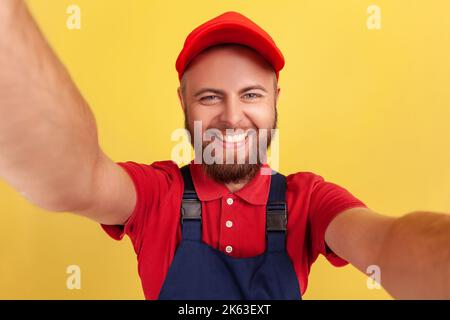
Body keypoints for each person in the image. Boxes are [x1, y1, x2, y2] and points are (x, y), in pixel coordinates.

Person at [0, 0, 449, 300]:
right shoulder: (157, 195)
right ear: (183, 101)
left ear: (276, 98)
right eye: (210, 97)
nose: (232, 117)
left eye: (251, 95)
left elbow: (388, 243)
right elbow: (75, 179)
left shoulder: (308, 202)